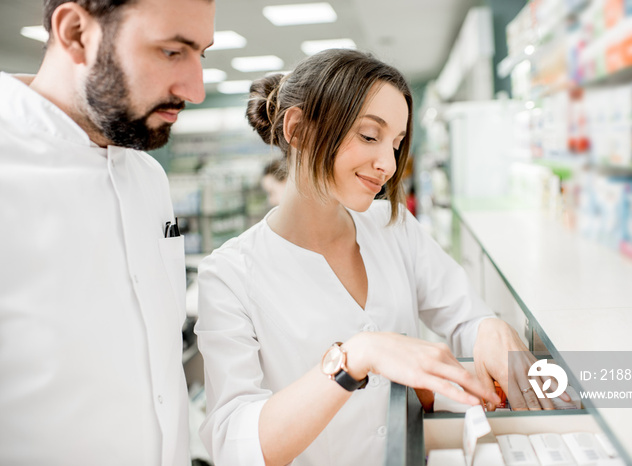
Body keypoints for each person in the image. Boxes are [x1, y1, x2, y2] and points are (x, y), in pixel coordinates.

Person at [195, 49, 567, 466]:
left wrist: (490, 328)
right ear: (298, 129)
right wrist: (356, 357)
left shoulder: (392, 227)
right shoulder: (229, 276)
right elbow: (234, 443)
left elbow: (463, 317)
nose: (388, 164)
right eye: (370, 136)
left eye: (396, 144)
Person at [0, 0, 214, 464]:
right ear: (77, 32)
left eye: (202, 54)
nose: (195, 89)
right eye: (172, 52)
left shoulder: (148, 176)